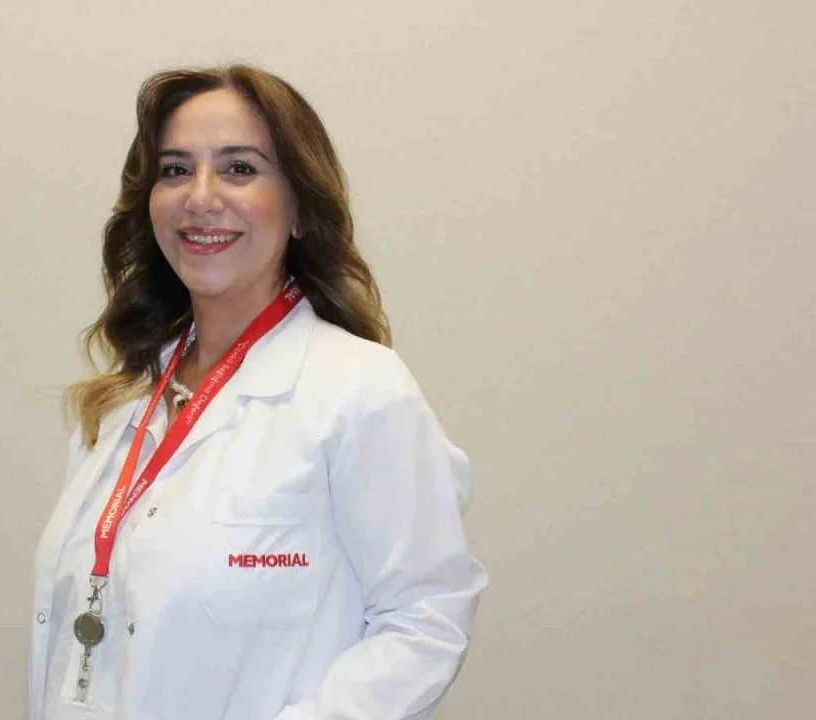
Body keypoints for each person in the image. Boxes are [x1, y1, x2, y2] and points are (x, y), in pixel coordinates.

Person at [29, 64, 487, 720]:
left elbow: (425, 620)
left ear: (299, 209)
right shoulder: (121, 401)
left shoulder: (359, 390)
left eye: (239, 168)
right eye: (175, 170)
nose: (200, 197)